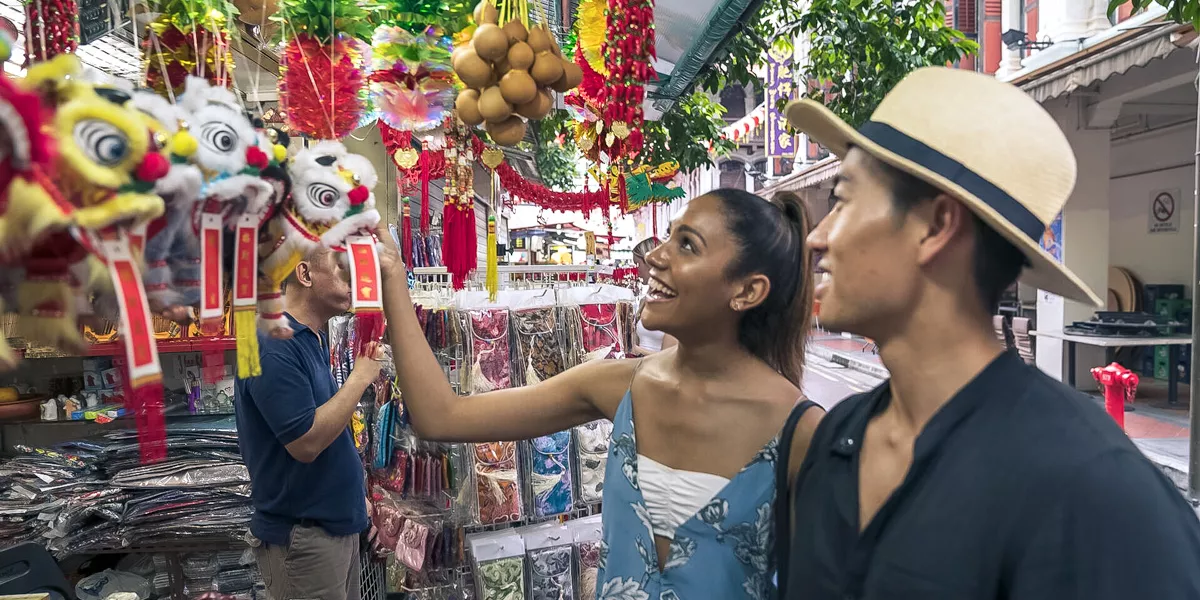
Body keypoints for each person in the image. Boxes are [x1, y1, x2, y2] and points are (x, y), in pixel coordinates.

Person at [783, 67, 1200, 599]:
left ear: (935, 227)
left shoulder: (1096, 492)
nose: (817, 237)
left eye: (841, 199)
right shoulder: (839, 439)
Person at [378, 189, 823, 599]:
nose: (656, 257)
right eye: (667, 238)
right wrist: (393, 276)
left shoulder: (802, 433)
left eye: (687, 244)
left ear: (747, 291)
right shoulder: (616, 384)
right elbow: (442, 416)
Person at [234, 247, 382, 600]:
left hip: (330, 530)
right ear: (304, 274)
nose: (353, 282)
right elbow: (305, 442)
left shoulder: (307, 338)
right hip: (303, 540)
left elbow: (328, 427)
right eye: (341, 270)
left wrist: (356, 498)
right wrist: (360, 378)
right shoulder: (272, 343)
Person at [630, 236, 677, 355]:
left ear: (649, 263)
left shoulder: (673, 302)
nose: (636, 271)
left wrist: (636, 350)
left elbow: (670, 358)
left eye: (637, 264)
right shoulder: (645, 300)